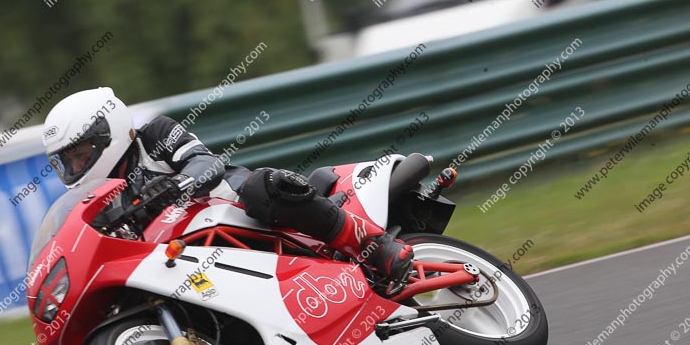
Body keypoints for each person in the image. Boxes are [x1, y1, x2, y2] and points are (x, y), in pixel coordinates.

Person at [42, 87, 413, 281]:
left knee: (263, 186)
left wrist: (179, 184)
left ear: (109, 132)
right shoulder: (102, 201)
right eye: (69, 160)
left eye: (81, 153)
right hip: (192, 260)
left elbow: (207, 162)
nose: (77, 165)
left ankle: (372, 246)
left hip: (235, 209)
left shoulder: (153, 135)